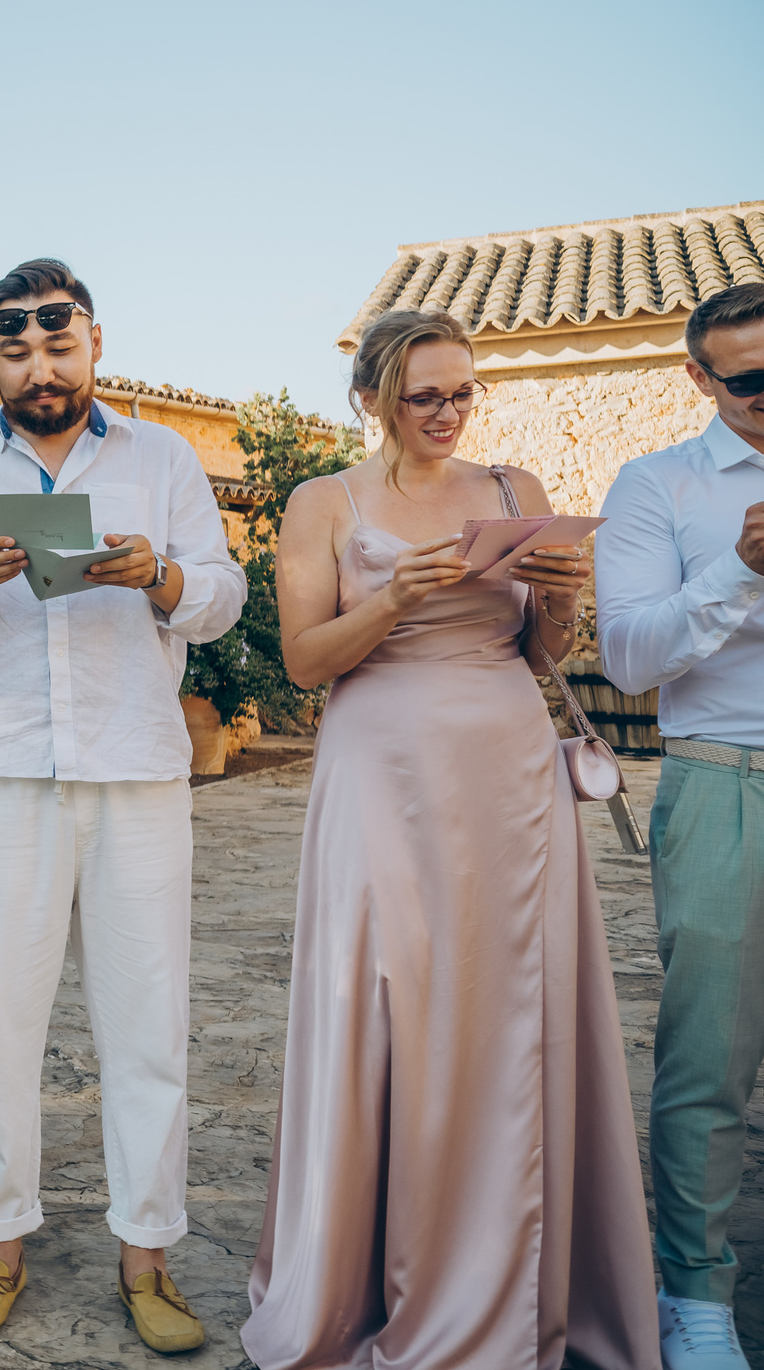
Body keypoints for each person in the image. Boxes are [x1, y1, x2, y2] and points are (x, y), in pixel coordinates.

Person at [243, 308, 657, 1370]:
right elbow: (302, 660)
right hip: (379, 772)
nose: (448, 412)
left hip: (506, 773)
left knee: (503, 1010)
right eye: (425, 394)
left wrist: (559, 603)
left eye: (463, 391)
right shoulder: (320, 502)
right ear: (373, 396)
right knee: (393, 1003)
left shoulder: (515, 492)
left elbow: (537, 652)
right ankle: (367, 1278)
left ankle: (511, 1281)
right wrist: (391, 599)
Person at [0, 259, 241, 1354]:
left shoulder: (165, 456)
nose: (37, 365)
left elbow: (225, 595)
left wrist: (159, 577)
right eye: (14, 348)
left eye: (56, 343)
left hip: (135, 771)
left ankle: (148, 1253)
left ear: (93, 344)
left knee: (146, 1024)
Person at [596, 280, 764, 1370]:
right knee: (710, 1056)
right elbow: (627, 658)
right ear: (698, 379)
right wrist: (738, 572)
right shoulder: (658, 486)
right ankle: (696, 1296)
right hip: (722, 776)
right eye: (748, 382)